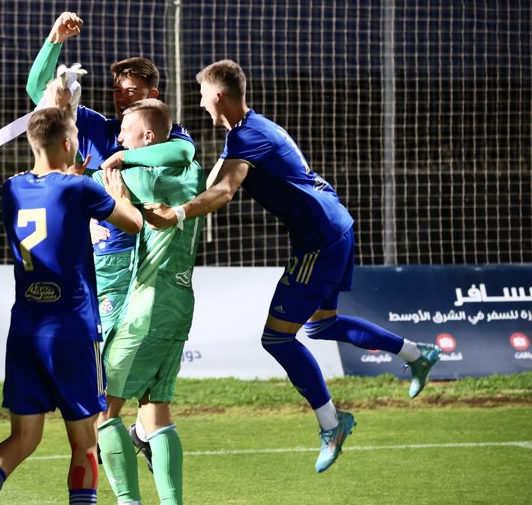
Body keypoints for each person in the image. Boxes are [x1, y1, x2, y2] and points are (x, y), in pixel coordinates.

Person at [144, 60, 442, 473]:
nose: (200, 103)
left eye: (202, 96)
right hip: (335, 225)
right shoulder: (249, 130)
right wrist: (179, 190)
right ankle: (417, 353)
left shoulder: (248, 136)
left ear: (219, 96)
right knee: (322, 325)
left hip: (320, 239)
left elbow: (224, 192)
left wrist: (176, 213)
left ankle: (332, 424)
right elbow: (211, 184)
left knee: (277, 339)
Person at [0, 107, 142, 505]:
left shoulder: (12, 188)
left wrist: (70, 179)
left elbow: (51, 208)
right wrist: (117, 192)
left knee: (23, 438)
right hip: (71, 331)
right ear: (67, 143)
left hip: (26, 330)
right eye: (74, 135)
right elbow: (133, 223)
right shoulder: (80, 189)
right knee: (85, 442)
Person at [26, 12, 197, 357]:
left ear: (153, 94)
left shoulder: (164, 133)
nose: (122, 98)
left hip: (149, 260)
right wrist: (55, 39)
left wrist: (123, 157)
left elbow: (184, 152)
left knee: (139, 349)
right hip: (102, 254)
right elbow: (38, 93)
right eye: (117, 91)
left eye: (132, 91)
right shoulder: (97, 127)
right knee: (101, 345)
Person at [88, 99, 204, 505]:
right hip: (180, 304)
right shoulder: (192, 170)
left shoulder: (140, 178)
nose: (118, 140)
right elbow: (182, 150)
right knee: (156, 411)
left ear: (148, 136)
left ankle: (128, 502)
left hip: (147, 308)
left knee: (103, 410)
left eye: (125, 132)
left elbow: (85, 183)